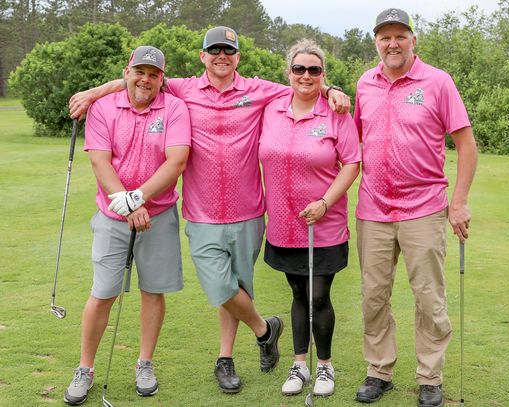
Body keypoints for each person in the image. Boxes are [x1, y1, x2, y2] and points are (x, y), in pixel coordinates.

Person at [68, 26, 350, 394]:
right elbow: (140, 79)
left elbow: (304, 86)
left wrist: (331, 89)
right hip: (201, 212)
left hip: (249, 209)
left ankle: (225, 359)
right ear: (202, 56)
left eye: (228, 50)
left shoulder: (259, 91)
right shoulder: (181, 88)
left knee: (238, 284)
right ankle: (265, 330)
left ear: (237, 57)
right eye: (214, 49)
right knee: (220, 286)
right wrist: (94, 92)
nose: (221, 55)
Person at [352, 8, 478, 407]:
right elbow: (353, 139)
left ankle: (430, 377)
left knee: (428, 296)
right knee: (373, 295)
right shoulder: (364, 84)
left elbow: (467, 144)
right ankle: (379, 371)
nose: (392, 43)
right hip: (372, 207)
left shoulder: (438, 82)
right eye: (385, 37)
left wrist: (458, 202)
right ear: (376, 42)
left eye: (400, 36)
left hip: (424, 207)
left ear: (413, 40)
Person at [63, 46, 191, 405]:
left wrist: (139, 199)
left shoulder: (175, 108)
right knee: (103, 293)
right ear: (127, 71)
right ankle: (85, 368)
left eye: (153, 74)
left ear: (162, 78)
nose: (145, 80)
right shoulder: (104, 107)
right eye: (140, 71)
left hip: (159, 214)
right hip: (112, 216)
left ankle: (145, 364)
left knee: (153, 291)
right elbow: (100, 162)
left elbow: (176, 161)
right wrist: (126, 202)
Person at [259, 39, 361, 398]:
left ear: (323, 75)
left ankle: (325, 367)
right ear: (289, 72)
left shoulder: (336, 113)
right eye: (299, 69)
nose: (306, 75)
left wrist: (325, 201)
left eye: (314, 70)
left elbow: (351, 163)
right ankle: (299, 364)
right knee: (298, 291)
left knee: (319, 295)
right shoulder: (270, 108)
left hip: (324, 223)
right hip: (284, 223)